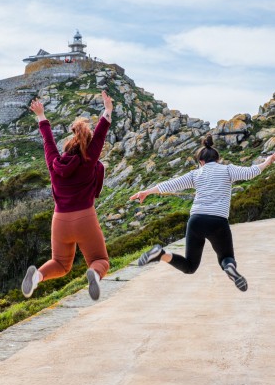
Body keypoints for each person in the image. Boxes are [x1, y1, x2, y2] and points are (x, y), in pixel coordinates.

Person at [129, 134, 275, 291]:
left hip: (196, 220)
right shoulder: (227, 170)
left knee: (190, 266)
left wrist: (147, 191)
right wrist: (268, 161)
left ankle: (160, 254)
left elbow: (171, 184)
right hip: (218, 221)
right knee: (226, 257)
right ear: (217, 159)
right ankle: (229, 267)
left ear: (201, 162)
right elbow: (251, 172)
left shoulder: (195, 174)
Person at [21, 90, 113, 301]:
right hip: (85, 218)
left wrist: (41, 116)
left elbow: (48, 142)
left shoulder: (55, 163)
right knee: (100, 260)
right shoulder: (89, 160)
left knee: (61, 264)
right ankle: (94, 274)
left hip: (60, 221)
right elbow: (100, 135)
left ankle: (37, 276)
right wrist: (107, 110)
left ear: (67, 147)